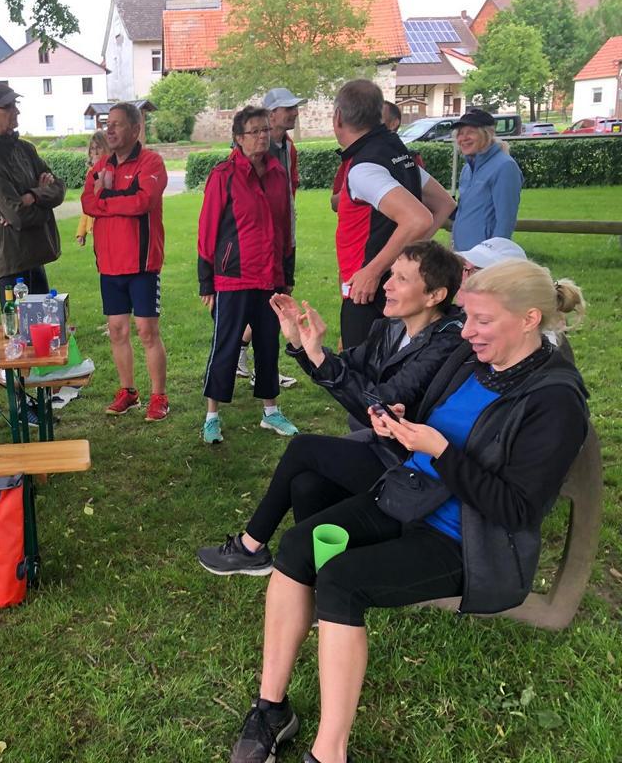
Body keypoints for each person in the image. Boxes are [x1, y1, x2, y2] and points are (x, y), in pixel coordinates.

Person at [225, 258, 587, 763]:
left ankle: (329, 752)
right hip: (409, 495)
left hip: (466, 539)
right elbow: (422, 417)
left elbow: (517, 510)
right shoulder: (471, 358)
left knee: (342, 581)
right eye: (468, 317)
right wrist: (398, 423)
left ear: (529, 319)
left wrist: (439, 450)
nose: (468, 331)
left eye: (482, 320)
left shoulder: (556, 400)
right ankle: (270, 709)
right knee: (295, 546)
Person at [197, 240, 464, 575]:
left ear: (435, 295)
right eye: (391, 274)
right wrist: (301, 343)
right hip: (381, 446)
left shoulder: (446, 343)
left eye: (402, 279)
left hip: (411, 464)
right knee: (304, 485)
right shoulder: (391, 328)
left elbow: (380, 402)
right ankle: (315, 571)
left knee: (303, 448)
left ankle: (251, 547)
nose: (387, 285)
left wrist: (320, 358)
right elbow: (347, 368)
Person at [197, 106, 298, 444]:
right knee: (225, 347)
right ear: (239, 138)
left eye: (266, 130)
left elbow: (285, 228)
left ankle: (271, 412)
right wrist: (206, 281)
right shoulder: (223, 175)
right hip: (233, 278)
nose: (262, 136)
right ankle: (212, 417)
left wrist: (286, 274)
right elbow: (207, 230)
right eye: (255, 131)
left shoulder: (278, 174)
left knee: (268, 346)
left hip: (270, 278)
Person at [331, 79, 457, 350]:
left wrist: (373, 271)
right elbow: (444, 204)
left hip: (368, 293)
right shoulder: (395, 153)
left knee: (360, 371)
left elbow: (418, 218)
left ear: (338, 117)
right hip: (397, 287)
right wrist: (410, 253)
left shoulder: (364, 167)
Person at [81, 103, 170, 421]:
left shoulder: (151, 162)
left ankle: (159, 396)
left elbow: (144, 201)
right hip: (109, 264)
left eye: (117, 124)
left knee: (147, 332)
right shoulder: (100, 166)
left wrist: (104, 197)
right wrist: (112, 199)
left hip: (142, 264)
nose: (110, 129)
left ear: (135, 129)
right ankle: (128, 391)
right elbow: (87, 202)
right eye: (108, 123)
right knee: (117, 331)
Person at [230, 87, 305, 389]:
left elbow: (290, 186)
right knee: (267, 304)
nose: (294, 113)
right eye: (288, 108)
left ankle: (254, 363)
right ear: (272, 114)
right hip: (255, 244)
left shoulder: (288, 146)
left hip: (283, 233)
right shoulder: (253, 150)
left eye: (295, 107)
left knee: (275, 300)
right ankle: (252, 363)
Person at [0, 82, 66, 302]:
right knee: (16, 323)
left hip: (35, 253)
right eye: (7, 106)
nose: (16, 111)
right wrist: (45, 207)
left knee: (45, 319)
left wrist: (33, 196)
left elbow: (59, 187)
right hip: (11, 258)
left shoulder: (25, 148)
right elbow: (16, 215)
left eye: (15, 104)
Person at [450, 108, 524, 252]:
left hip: (484, 256)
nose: (463, 138)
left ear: (487, 134)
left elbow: (505, 221)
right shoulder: (467, 169)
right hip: (462, 253)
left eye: (470, 132)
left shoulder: (505, 167)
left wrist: (492, 255)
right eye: (460, 133)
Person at [76, 130, 110, 249]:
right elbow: (88, 203)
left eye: (99, 148)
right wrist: (81, 231)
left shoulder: (110, 169)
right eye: (92, 148)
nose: (95, 152)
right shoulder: (91, 172)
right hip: (96, 223)